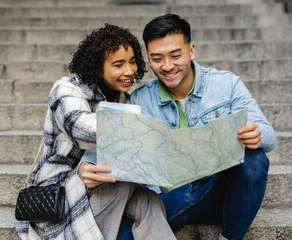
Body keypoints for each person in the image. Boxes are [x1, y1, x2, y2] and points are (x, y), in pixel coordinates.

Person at [80, 14, 277, 240]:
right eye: (157, 58)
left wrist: (257, 134)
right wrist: (86, 165)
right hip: (167, 198)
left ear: (191, 51)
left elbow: (269, 135)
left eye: (175, 55)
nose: (167, 66)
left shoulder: (227, 85)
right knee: (122, 233)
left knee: (254, 158)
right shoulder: (139, 100)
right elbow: (109, 146)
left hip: (218, 193)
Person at [16, 24, 176, 240]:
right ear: (98, 69)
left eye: (132, 61)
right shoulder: (66, 90)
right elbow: (80, 127)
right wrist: (145, 132)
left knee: (150, 201)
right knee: (116, 182)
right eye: (118, 64)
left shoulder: (123, 99)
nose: (129, 71)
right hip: (58, 196)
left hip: (100, 185)